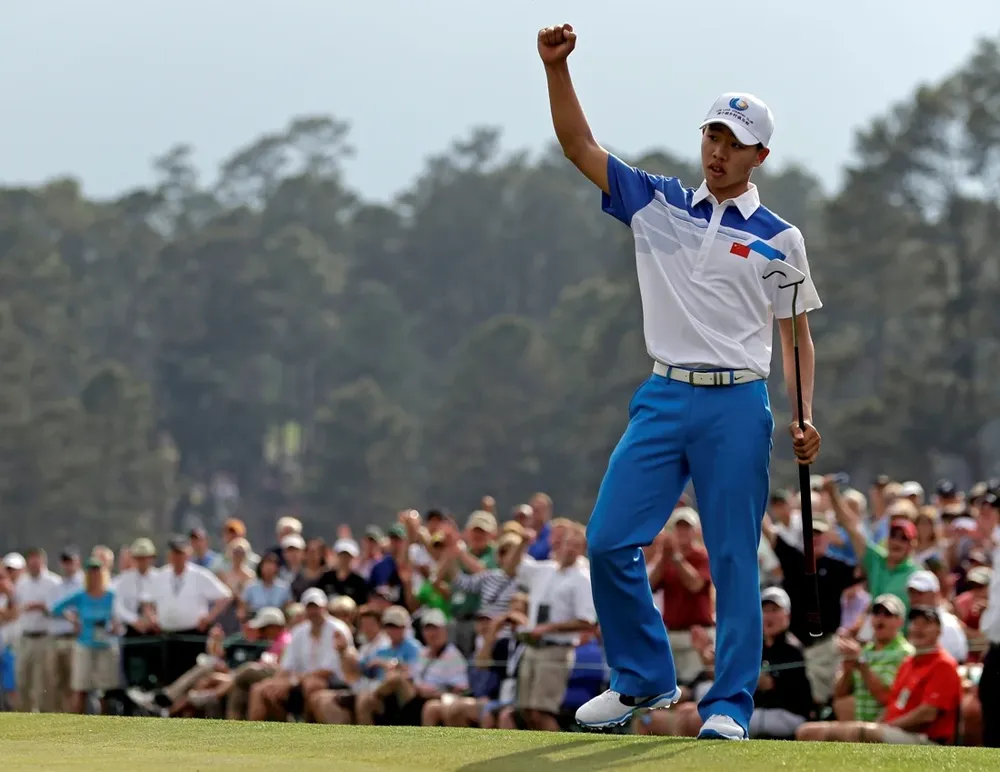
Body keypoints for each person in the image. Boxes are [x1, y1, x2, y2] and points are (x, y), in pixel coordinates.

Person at [535, 23, 822, 741]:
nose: (718, 152)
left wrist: (805, 417)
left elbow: (795, 336)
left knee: (731, 560)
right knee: (607, 540)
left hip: (737, 404)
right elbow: (579, 147)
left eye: (733, 142)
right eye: (711, 137)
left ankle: (728, 705)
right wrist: (556, 70)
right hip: (662, 396)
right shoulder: (656, 202)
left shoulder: (780, 237)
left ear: (760, 154)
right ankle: (643, 679)